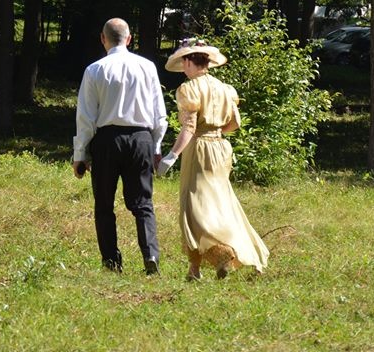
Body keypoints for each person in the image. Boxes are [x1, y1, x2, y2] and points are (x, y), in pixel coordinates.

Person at [157, 38, 269, 281]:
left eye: (183, 62)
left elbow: (188, 128)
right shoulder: (224, 89)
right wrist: (215, 132)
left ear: (188, 61)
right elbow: (235, 123)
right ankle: (194, 269)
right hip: (220, 148)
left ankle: (221, 254)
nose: (183, 68)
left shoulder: (189, 89)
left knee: (194, 208)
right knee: (218, 202)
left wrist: (172, 155)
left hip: (198, 149)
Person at [73, 18, 167, 276]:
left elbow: (86, 117)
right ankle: (151, 255)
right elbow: (160, 113)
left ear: (103, 40)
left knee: (104, 204)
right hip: (141, 138)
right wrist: (156, 146)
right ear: (129, 38)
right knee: (143, 203)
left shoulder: (94, 70)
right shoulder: (147, 67)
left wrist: (80, 154)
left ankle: (111, 263)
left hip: (107, 140)